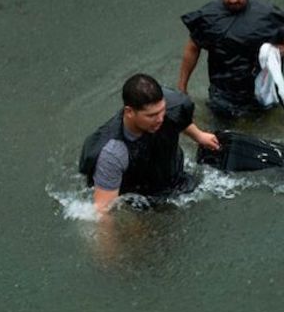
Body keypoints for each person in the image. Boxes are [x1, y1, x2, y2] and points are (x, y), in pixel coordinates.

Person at [79, 74, 220, 215]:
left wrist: (199, 136)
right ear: (129, 112)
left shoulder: (170, 106)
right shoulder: (113, 153)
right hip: (139, 196)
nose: (160, 119)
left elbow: (175, 116)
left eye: (162, 110)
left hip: (172, 175)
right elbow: (103, 211)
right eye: (152, 115)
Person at [178, 0, 284, 120]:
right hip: (222, 95)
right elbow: (192, 48)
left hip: (260, 95)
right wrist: (182, 87)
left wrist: (273, 53)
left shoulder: (267, 15)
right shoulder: (208, 17)